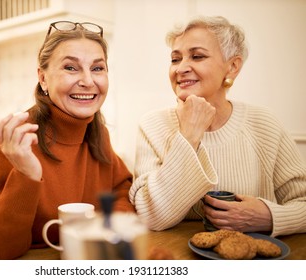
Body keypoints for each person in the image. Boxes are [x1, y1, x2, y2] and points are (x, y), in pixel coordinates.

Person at [0, 21, 134, 260]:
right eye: (71, 68)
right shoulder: (12, 145)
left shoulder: (97, 133)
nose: (88, 81)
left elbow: (120, 189)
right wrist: (26, 176)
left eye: (97, 68)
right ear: (43, 78)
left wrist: (108, 231)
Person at [129, 16, 306, 237]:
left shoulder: (264, 124)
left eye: (197, 56)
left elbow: (303, 202)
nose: (181, 68)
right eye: (175, 59)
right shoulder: (152, 125)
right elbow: (151, 216)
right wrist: (189, 135)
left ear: (232, 66)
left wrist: (269, 216)